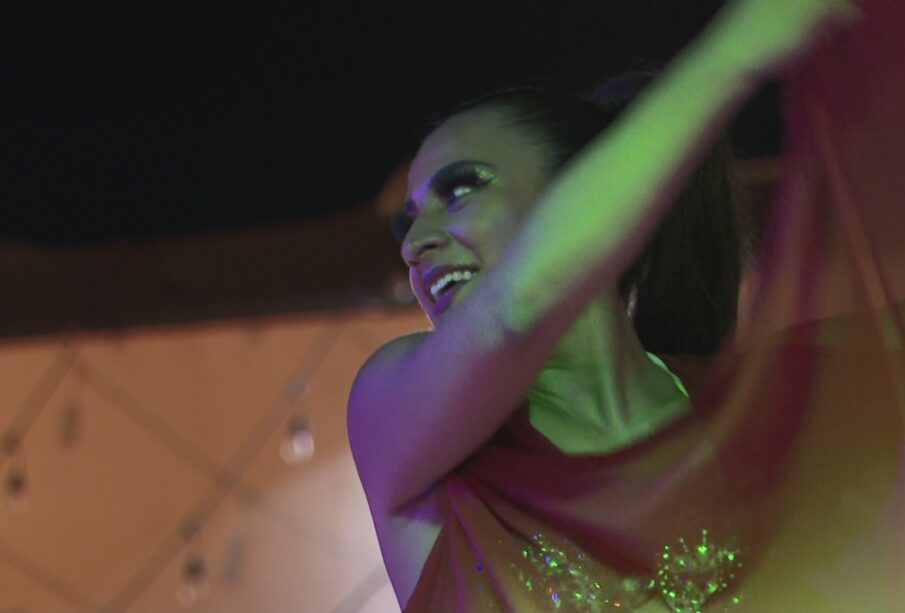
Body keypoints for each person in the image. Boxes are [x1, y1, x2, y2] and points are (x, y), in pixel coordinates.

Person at [349, 0, 905, 610]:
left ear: (587, 188)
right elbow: (520, 310)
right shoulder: (395, 416)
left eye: (459, 189)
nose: (414, 242)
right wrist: (732, 53)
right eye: (406, 223)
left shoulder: (754, 423)